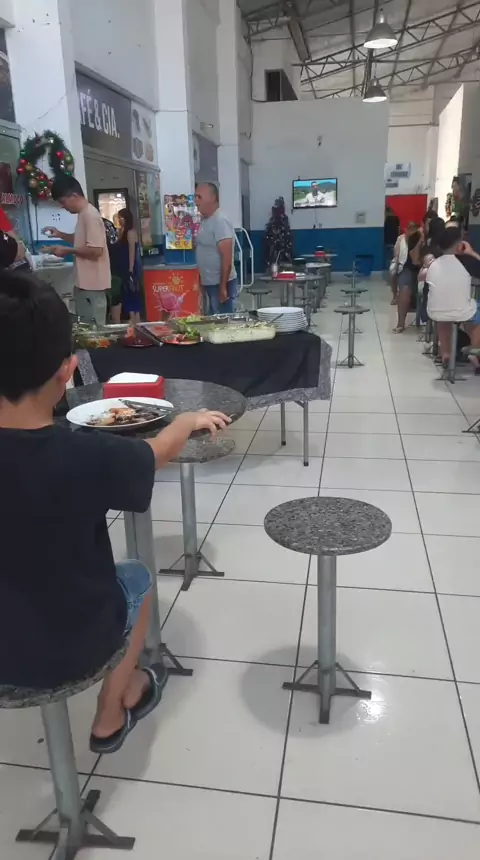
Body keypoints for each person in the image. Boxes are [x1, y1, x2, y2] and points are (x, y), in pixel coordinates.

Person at [0, 269, 230, 752]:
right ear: (67, 372)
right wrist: (186, 420)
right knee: (137, 578)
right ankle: (111, 712)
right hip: (69, 646)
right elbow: (155, 453)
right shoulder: (85, 454)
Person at [43, 177, 111, 326]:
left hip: (93, 285)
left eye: (63, 202)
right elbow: (83, 240)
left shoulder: (90, 215)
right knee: (85, 327)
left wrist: (67, 250)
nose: (63, 207)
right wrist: (60, 234)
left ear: (73, 196)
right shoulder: (83, 214)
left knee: (94, 330)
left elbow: (96, 250)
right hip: (84, 283)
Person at [427, 227, 480, 372]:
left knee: (444, 318)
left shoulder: (433, 264)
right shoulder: (466, 262)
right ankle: (475, 352)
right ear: (459, 244)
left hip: (435, 311)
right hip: (461, 311)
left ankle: (445, 354)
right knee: (475, 315)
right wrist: (472, 253)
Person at [194, 182, 238, 315]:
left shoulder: (220, 220)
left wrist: (223, 287)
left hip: (220, 284)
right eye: (195, 197)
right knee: (210, 321)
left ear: (212, 198)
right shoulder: (204, 220)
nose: (196, 201)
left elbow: (226, 258)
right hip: (208, 283)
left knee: (223, 322)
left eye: (199, 197)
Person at [111, 208, 142, 325]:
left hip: (130, 267)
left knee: (132, 291)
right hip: (122, 267)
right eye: (119, 218)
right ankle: (131, 316)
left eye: (121, 218)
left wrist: (130, 268)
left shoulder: (130, 232)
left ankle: (135, 318)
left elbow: (132, 251)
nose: (119, 220)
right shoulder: (121, 232)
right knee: (125, 292)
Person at [393, 224, 423, 333]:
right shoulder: (413, 238)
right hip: (410, 268)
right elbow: (414, 259)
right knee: (404, 291)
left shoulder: (432, 239)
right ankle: (400, 323)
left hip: (425, 269)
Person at [384, 206, 400, 273]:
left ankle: (388, 271)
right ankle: (394, 271)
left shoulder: (385, 219)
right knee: (395, 257)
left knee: (388, 257)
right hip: (394, 240)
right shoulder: (396, 219)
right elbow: (399, 230)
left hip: (387, 240)